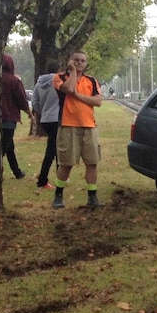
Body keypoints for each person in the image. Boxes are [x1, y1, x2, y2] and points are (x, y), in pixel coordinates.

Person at [52, 49, 103, 208]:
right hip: (68, 125)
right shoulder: (59, 77)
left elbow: (98, 101)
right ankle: (58, 195)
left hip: (89, 125)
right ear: (70, 61)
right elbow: (68, 89)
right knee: (66, 163)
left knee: (92, 162)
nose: (79, 63)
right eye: (76, 60)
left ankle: (92, 196)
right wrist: (72, 72)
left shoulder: (91, 81)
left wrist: (78, 97)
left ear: (86, 63)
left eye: (82, 61)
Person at [0, 54, 33, 179]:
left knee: (9, 146)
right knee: (4, 147)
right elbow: (22, 100)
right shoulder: (14, 81)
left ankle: (17, 171)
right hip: (8, 118)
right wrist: (30, 114)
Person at [31, 61, 61, 189]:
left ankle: (59, 176)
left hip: (45, 119)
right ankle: (44, 180)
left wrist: (42, 111)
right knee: (53, 150)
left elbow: (35, 102)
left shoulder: (39, 83)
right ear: (58, 69)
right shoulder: (58, 81)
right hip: (57, 118)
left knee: (55, 147)